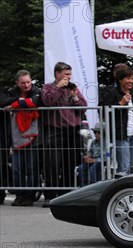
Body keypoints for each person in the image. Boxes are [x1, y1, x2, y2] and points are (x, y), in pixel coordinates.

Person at [41, 61, 88, 206]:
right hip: (55, 129)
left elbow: (84, 107)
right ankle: (50, 195)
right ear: (57, 74)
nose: (69, 77)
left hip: (72, 130)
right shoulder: (48, 87)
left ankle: (66, 195)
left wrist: (74, 97)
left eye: (70, 74)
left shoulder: (73, 88)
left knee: (71, 163)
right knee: (53, 164)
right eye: (66, 74)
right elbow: (47, 101)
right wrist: (57, 88)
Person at [0, 70, 42, 206]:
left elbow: (35, 102)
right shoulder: (11, 91)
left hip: (33, 136)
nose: (26, 85)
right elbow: (2, 101)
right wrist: (21, 101)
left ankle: (30, 195)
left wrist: (14, 105)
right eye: (23, 83)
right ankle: (19, 195)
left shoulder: (36, 90)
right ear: (17, 83)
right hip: (16, 136)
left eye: (28, 82)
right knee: (17, 168)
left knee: (31, 168)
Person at [99, 66, 133, 175]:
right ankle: (121, 189)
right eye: (128, 78)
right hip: (121, 134)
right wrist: (120, 104)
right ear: (120, 79)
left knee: (128, 165)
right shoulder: (111, 92)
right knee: (124, 167)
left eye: (132, 78)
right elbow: (103, 111)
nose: (131, 81)